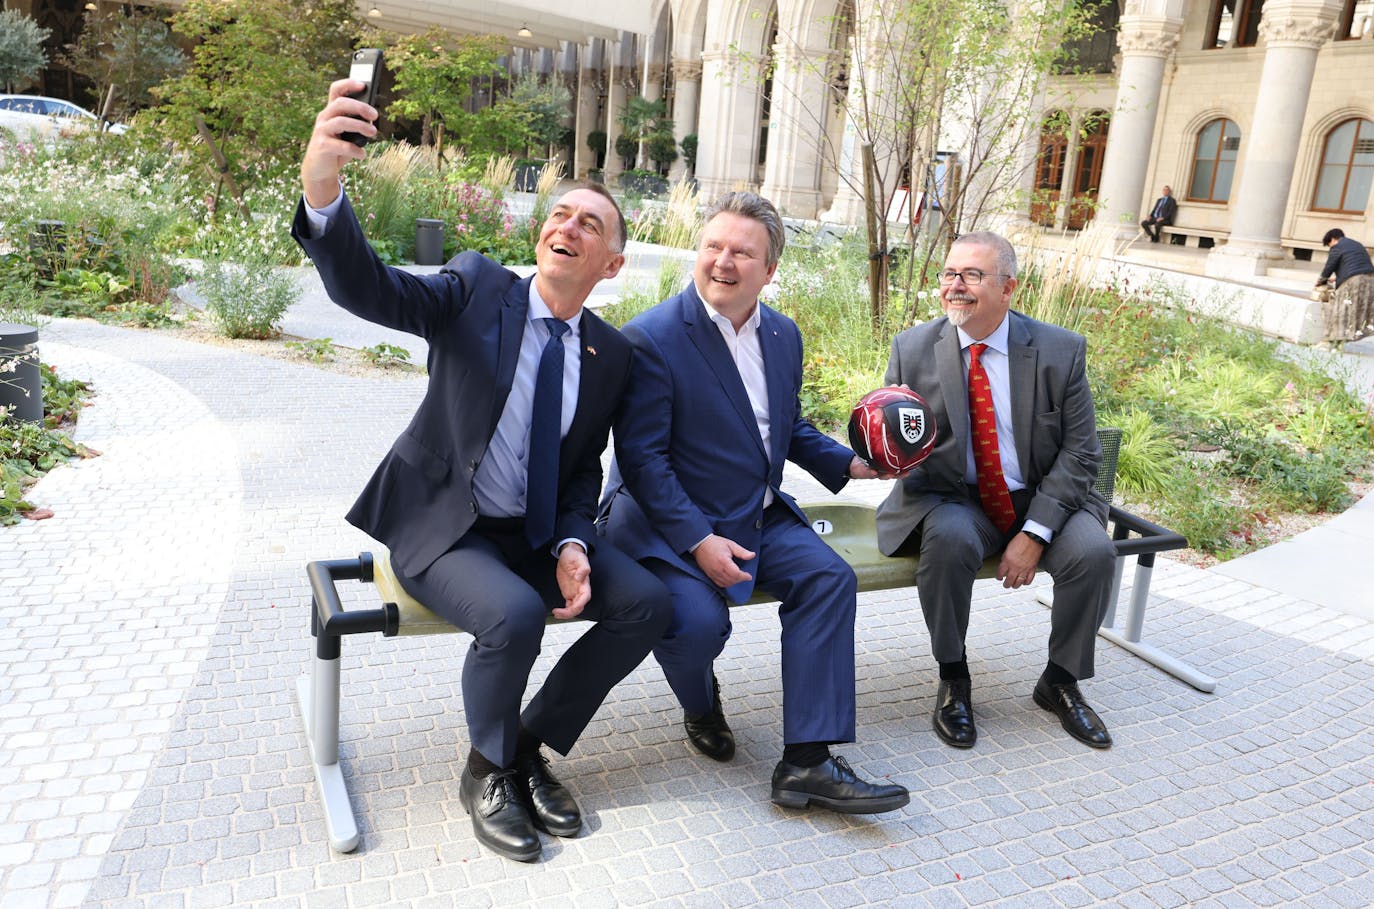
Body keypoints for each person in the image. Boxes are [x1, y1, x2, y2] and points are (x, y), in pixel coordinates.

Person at [291, 79, 671, 863]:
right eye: (560, 212)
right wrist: (323, 187)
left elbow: (578, 473)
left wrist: (572, 542)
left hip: (531, 535)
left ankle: (525, 741)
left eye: (589, 222)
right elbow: (373, 288)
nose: (568, 224)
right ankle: (488, 771)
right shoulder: (477, 289)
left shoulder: (611, 353)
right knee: (513, 617)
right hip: (443, 528)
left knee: (648, 605)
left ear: (611, 262)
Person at [599, 192, 910, 815]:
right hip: (669, 525)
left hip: (756, 512)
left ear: (769, 271)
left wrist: (848, 463)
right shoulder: (652, 337)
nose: (723, 261)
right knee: (695, 626)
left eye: (743, 252)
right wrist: (700, 542)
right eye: (713, 246)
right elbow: (643, 463)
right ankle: (699, 702)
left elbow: (783, 426)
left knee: (828, 579)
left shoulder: (782, 334)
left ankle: (807, 763)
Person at [876, 231, 1117, 751]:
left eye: (971, 275)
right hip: (959, 498)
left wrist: (1034, 532)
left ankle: (1059, 681)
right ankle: (953, 678)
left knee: (1094, 553)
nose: (954, 286)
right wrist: (884, 450)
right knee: (948, 543)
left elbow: (1081, 454)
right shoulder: (914, 348)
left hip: (1041, 494)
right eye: (948, 274)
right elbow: (897, 433)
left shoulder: (1060, 351)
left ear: (1009, 288)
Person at [1314, 228, 1374, 345]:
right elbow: (1356, 264)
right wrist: (1337, 277)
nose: (1330, 247)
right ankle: (1346, 338)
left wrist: (1321, 280)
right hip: (1369, 279)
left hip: (1354, 280)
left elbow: (1330, 266)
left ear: (1333, 239)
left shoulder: (1337, 246)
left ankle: (1332, 340)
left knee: (1341, 308)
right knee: (1357, 309)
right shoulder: (1356, 244)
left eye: (1329, 245)